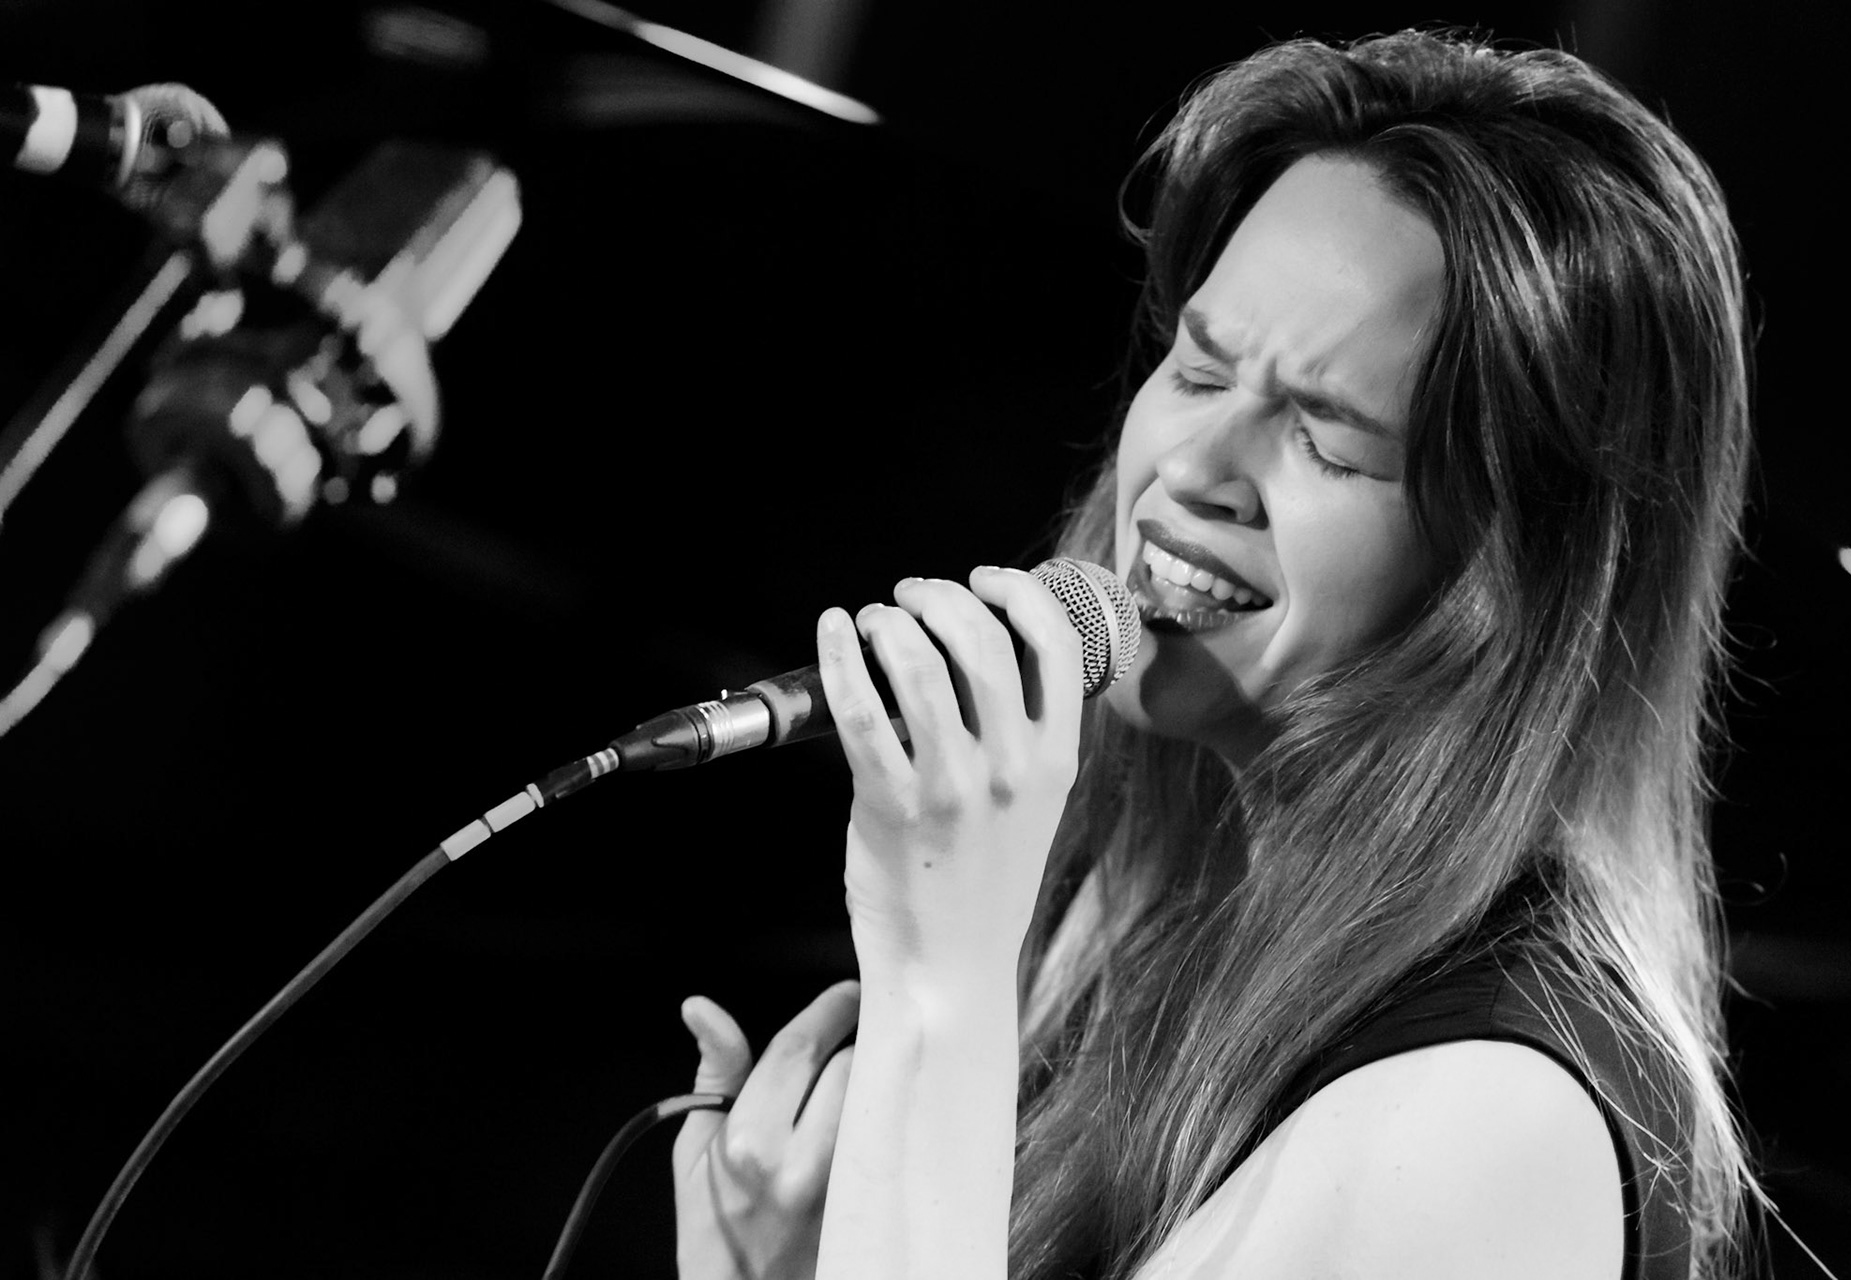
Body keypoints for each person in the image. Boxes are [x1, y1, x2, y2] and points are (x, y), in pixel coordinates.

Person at [669, 28, 1757, 1280]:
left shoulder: (1473, 1129)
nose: (1190, 472)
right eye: (1199, 369)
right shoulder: (1166, 863)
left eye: (1328, 441)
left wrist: (941, 978)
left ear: (1514, 579)